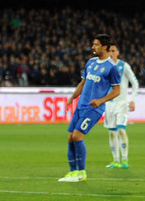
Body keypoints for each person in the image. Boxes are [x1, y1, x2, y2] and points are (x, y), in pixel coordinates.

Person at [58, 34, 121, 183]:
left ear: (104, 47)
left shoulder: (111, 67)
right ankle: (72, 172)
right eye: (93, 44)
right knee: (70, 137)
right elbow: (83, 82)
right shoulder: (90, 62)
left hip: (94, 108)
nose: (93, 47)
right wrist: (73, 97)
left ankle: (81, 173)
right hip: (81, 106)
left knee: (77, 136)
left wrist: (100, 101)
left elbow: (117, 90)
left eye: (96, 44)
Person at [104, 43, 139, 169]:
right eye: (109, 51)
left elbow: (134, 83)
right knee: (112, 133)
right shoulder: (104, 67)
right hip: (109, 104)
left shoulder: (123, 66)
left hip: (122, 104)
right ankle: (116, 160)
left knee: (121, 130)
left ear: (118, 52)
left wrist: (132, 99)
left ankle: (125, 160)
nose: (111, 53)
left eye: (113, 50)